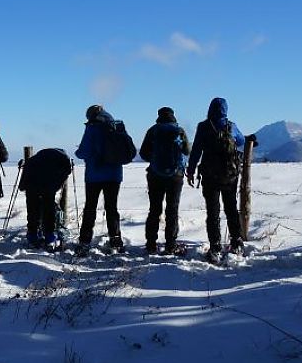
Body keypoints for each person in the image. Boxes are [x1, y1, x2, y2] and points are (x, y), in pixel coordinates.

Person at [186, 97, 247, 263]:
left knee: (212, 212)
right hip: (230, 176)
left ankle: (215, 246)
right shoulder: (231, 126)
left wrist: (191, 171)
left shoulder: (204, 127)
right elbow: (241, 140)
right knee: (231, 208)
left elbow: (196, 150)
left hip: (210, 176)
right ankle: (237, 242)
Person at [75, 105, 127, 254]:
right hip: (114, 175)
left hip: (94, 175)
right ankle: (115, 239)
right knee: (112, 207)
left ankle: (85, 241)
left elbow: (83, 152)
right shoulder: (117, 126)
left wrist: (78, 152)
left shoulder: (92, 128)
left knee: (90, 207)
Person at [139, 107, 190, 255]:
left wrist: (154, 160)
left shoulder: (153, 130)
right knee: (172, 211)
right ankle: (170, 245)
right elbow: (187, 150)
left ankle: (150, 244)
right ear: (173, 116)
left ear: (159, 116)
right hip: (175, 176)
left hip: (155, 175)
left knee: (154, 210)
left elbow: (143, 153)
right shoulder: (179, 130)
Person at [18, 148, 72, 248]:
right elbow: (66, 172)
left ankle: (32, 236)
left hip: (31, 183)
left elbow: (26, 172)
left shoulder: (35, 158)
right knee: (49, 210)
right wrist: (55, 187)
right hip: (47, 185)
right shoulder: (63, 159)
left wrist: (22, 186)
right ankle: (49, 237)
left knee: (33, 210)